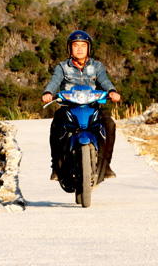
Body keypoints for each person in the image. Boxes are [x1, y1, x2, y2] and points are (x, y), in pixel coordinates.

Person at [41, 30, 121, 182]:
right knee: (56, 124)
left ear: (88, 48)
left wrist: (111, 91)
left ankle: (106, 164)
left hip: (92, 108)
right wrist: (48, 92)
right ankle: (56, 166)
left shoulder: (97, 66)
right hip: (69, 108)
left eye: (83, 45)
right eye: (75, 45)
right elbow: (55, 81)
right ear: (70, 48)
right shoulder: (63, 67)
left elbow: (104, 81)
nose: (79, 49)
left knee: (109, 124)